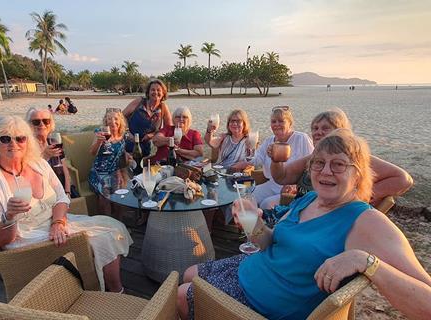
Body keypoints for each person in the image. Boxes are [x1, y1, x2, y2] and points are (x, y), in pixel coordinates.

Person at [177, 129, 431, 320]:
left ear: (359, 174)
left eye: (339, 164)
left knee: (182, 293)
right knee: (188, 272)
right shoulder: (310, 198)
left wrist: (367, 262)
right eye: (318, 163)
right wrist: (250, 220)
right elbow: (267, 242)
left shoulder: (366, 221)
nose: (325, 172)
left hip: (261, 304)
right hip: (253, 267)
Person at [0, 115, 133, 292]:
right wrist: (9, 217)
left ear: (27, 141)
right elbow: (0, 241)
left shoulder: (38, 164)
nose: (13, 144)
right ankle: (115, 291)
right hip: (27, 240)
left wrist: (57, 223)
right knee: (104, 238)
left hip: (56, 224)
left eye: (20, 138)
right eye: (5, 138)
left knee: (114, 226)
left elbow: (62, 198)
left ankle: (101, 282)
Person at [270, 108, 414, 207]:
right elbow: (281, 177)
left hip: (322, 223)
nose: (318, 132)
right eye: (315, 128)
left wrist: (360, 197)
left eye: (325, 128)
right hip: (298, 213)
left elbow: (403, 180)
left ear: (341, 131)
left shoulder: (355, 157)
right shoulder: (313, 158)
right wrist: (276, 160)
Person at [235, 106, 314, 209]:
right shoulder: (269, 141)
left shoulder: (301, 139)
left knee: (266, 204)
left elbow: (312, 165)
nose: (277, 124)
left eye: (281, 121)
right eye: (273, 121)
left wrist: (297, 185)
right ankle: (245, 222)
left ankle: (264, 224)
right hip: (272, 185)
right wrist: (250, 150)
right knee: (244, 198)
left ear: (289, 123)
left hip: (292, 189)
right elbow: (257, 160)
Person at [88, 108, 130, 215]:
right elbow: (92, 153)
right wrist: (98, 142)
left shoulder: (123, 135)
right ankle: (107, 224)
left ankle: (119, 224)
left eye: (115, 118)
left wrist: (121, 171)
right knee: (105, 195)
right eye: (109, 119)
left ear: (120, 121)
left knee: (121, 194)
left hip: (115, 172)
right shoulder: (100, 133)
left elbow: (121, 154)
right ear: (105, 121)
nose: (112, 121)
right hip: (99, 173)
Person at [25, 108, 74, 198]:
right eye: (36, 122)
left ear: (50, 124)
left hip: (62, 190)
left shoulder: (54, 142)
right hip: (44, 194)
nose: (42, 124)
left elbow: (65, 169)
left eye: (46, 121)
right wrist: (44, 155)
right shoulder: (26, 146)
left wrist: (67, 192)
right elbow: (27, 172)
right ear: (28, 125)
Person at [122, 79, 172, 157]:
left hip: (147, 145)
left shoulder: (163, 107)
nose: (155, 92)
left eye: (158, 90)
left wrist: (153, 134)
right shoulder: (139, 102)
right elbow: (121, 116)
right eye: (152, 90)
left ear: (163, 93)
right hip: (129, 141)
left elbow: (168, 128)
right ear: (148, 92)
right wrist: (127, 132)